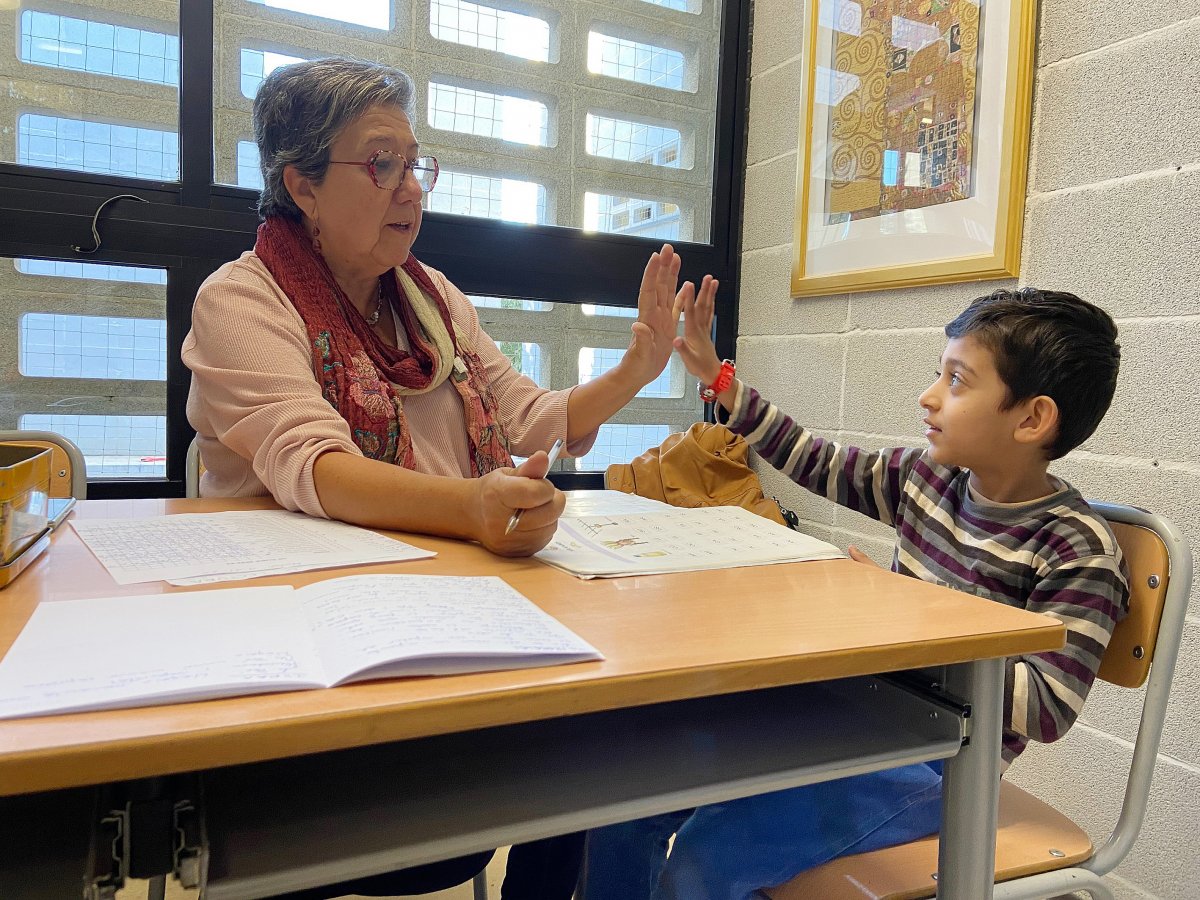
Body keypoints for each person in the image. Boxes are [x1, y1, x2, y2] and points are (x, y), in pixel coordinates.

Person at [182, 57, 713, 899]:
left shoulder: (435, 301)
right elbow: (317, 469)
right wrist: (472, 506)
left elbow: (524, 416)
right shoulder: (241, 301)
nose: (409, 189)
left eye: (414, 163)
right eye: (380, 163)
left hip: (439, 609)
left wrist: (632, 372)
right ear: (303, 186)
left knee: (595, 728)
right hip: (308, 657)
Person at [581, 285, 1131, 900]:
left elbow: (1048, 706)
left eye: (957, 380)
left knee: (706, 862)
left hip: (940, 763)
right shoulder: (929, 478)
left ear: (1031, 419)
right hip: (849, 712)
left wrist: (905, 614)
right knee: (626, 798)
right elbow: (817, 461)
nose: (928, 397)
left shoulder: (1077, 547)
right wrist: (719, 380)